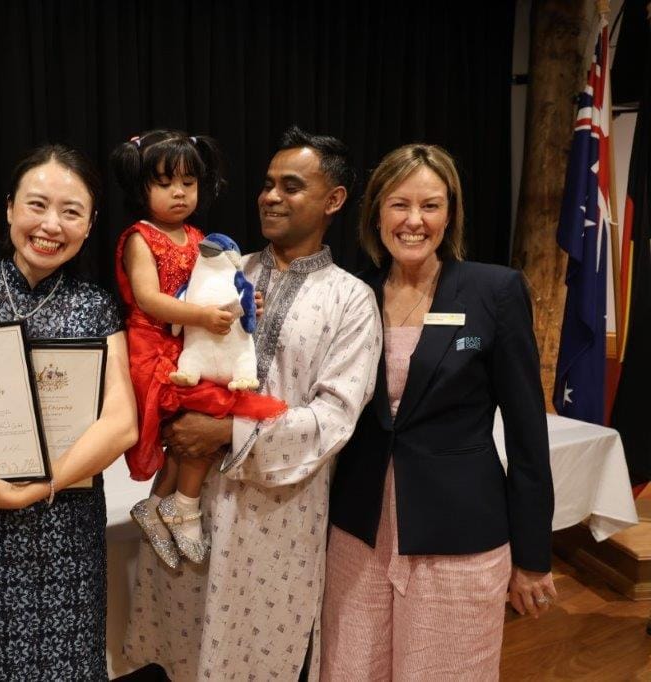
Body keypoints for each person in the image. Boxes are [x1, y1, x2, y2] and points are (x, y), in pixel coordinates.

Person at [123, 126, 382, 681]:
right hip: (190, 504)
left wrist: (226, 432)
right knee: (177, 650)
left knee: (255, 655)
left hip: (278, 514)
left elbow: (334, 418)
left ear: (334, 200)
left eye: (291, 186)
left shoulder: (351, 299)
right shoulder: (222, 267)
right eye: (267, 184)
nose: (270, 197)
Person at [320, 143, 555, 680]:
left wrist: (533, 556)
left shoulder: (495, 291)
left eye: (431, 205)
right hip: (358, 533)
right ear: (376, 212)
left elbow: (527, 435)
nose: (414, 221)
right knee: (350, 669)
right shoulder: (351, 294)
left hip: (458, 536)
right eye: (399, 204)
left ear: (450, 215)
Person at [0, 144, 138, 681]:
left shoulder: (96, 306)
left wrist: (36, 488)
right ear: (9, 208)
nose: (50, 225)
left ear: (90, 224)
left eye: (71, 211)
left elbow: (122, 424)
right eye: (37, 205)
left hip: (68, 527)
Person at [111, 130, 283, 567]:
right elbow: (149, 299)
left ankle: (161, 503)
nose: (179, 192)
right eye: (165, 182)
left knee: (200, 425)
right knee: (205, 417)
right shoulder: (141, 237)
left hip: (190, 343)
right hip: (154, 346)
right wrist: (203, 317)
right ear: (140, 187)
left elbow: (217, 287)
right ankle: (180, 507)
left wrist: (244, 303)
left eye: (188, 183)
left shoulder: (199, 237)